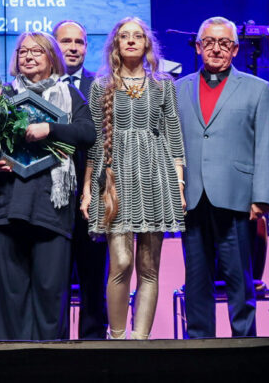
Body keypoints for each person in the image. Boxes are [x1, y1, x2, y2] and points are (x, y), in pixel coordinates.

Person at [0, 32, 96, 340]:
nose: (28, 56)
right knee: (10, 298)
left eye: (37, 51)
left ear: (51, 59)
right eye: (23, 51)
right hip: (6, 208)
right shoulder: (0, 97)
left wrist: (50, 128)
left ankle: (51, 369)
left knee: (50, 296)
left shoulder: (69, 96)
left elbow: (88, 134)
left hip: (51, 210)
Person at [80, 17, 185, 340]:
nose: (130, 41)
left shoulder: (163, 84)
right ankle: (117, 337)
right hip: (116, 180)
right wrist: (87, 188)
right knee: (121, 262)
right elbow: (95, 140)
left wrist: (179, 186)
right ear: (115, 43)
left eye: (137, 36)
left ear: (146, 43)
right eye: (124, 36)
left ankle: (141, 341)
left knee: (149, 267)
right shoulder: (101, 86)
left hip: (155, 178)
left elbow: (173, 136)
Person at [176, 16, 269, 339]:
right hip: (191, 197)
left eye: (224, 43)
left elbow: (266, 144)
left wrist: (262, 196)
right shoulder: (177, 89)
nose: (216, 49)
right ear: (197, 46)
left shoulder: (258, 89)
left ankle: (245, 347)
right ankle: (199, 348)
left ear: (235, 49)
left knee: (239, 280)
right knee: (196, 280)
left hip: (237, 197)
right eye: (209, 42)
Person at [53, 19, 107, 340]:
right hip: (52, 199)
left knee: (92, 279)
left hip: (93, 199)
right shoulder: (39, 85)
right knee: (54, 278)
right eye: (66, 41)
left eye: (80, 42)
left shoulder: (100, 87)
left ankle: (94, 348)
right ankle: (54, 346)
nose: (73, 47)